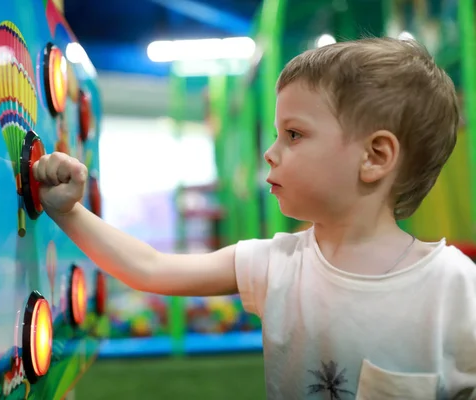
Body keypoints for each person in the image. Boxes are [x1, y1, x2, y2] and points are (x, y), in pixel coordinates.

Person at [33, 37, 476, 399]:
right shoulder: (278, 263)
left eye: (294, 135)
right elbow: (151, 268)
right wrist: (68, 210)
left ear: (375, 156)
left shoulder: (455, 285)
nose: (270, 152)